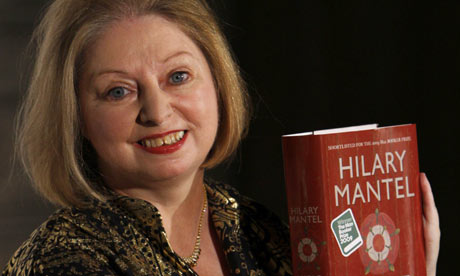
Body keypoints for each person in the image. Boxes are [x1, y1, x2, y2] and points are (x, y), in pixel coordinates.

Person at [2, 0, 440, 275]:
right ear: (76, 116)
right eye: (119, 91)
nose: (157, 112)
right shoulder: (61, 261)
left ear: (218, 84)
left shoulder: (260, 230)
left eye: (178, 76)